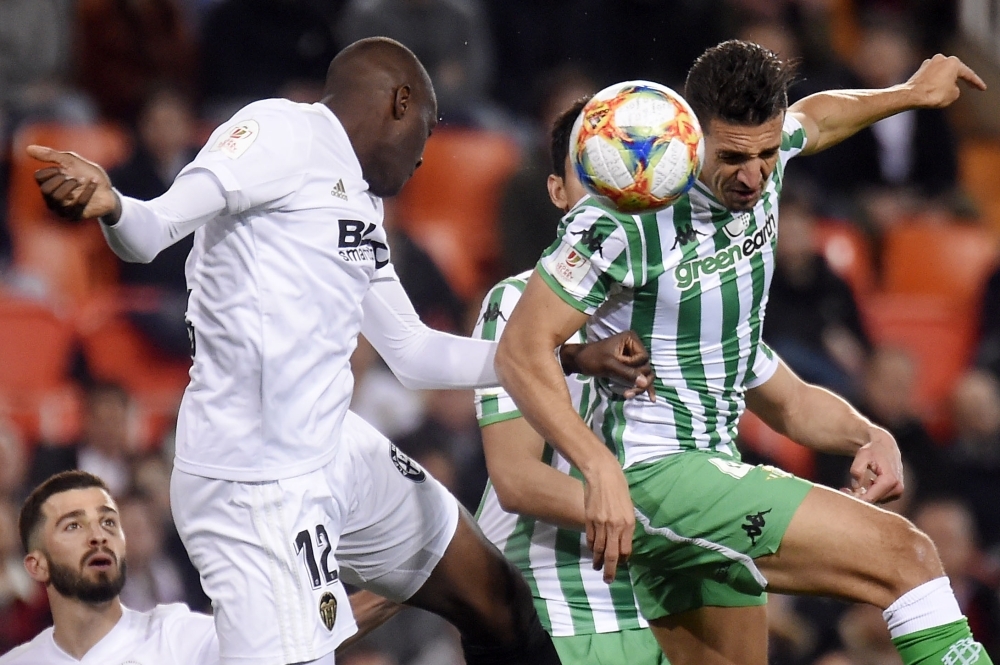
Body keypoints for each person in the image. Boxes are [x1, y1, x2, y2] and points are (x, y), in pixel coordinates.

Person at [28, 37, 652, 665]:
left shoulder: (362, 199)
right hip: (253, 484)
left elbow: (414, 352)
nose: (421, 161)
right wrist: (112, 204)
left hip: (335, 451)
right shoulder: (279, 131)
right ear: (400, 102)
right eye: (426, 133)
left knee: (499, 602)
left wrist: (564, 358)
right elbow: (149, 231)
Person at [495, 40, 990, 665]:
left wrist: (909, 94)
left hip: (709, 477)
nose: (754, 177)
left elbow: (822, 116)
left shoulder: (768, 157)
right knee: (906, 556)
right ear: (693, 139)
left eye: (765, 153)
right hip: (651, 472)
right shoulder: (634, 215)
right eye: (732, 158)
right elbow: (519, 350)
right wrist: (598, 469)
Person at [473, 97, 667, 664]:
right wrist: (676, 524)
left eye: (630, 171)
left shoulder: (675, 304)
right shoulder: (514, 303)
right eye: (596, 176)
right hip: (561, 614)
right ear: (558, 193)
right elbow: (516, 479)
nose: (616, 194)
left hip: (660, 613)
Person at [0, 470, 218, 664]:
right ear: (37, 566)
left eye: (108, 522)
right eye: (73, 526)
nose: (99, 536)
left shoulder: (178, 637)